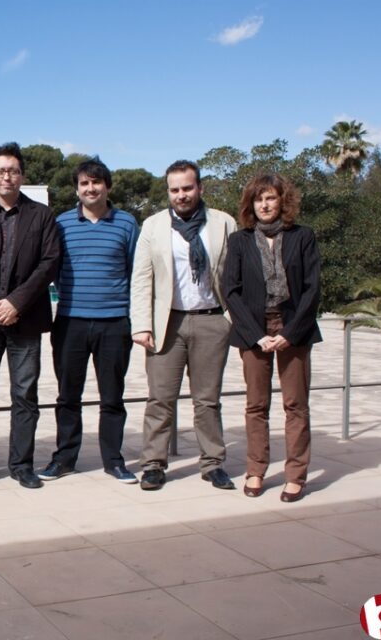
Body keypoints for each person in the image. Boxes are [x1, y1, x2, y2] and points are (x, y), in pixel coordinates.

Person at [130, 160, 237, 491]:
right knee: (160, 399)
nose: (181, 195)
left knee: (207, 400)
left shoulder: (223, 223)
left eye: (187, 188)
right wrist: (141, 324)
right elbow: (142, 278)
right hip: (168, 324)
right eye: (175, 190)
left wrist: (233, 320)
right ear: (168, 192)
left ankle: (212, 463)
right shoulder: (153, 225)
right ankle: (153, 464)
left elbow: (236, 275)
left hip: (211, 321)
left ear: (200, 188)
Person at [0, 142, 61, 489]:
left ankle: (21, 465)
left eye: (13, 170)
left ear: (22, 176)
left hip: (26, 319)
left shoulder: (41, 216)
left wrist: (16, 303)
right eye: (0, 171)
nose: (7, 176)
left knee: (25, 395)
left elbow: (49, 263)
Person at [40, 158, 140, 484]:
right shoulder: (62, 224)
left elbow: (136, 273)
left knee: (112, 397)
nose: (90, 188)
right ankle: (65, 458)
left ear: (107, 186)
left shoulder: (126, 224)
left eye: (96, 182)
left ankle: (113, 460)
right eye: (84, 183)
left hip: (114, 324)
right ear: (77, 188)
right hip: (70, 322)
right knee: (68, 397)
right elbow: (51, 270)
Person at [224, 173, 321, 502]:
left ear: (283, 201)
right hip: (254, 329)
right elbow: (231, 291)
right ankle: (256, 469)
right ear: (250, 205)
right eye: (258, 199)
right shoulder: (239, 241)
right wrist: (256, 336)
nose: (264, 204)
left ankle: (296, 474)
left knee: (295, 405)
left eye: (270, 198)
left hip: (293, 328)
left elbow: (312, 289)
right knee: (256, 405)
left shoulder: (303, 237)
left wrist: (290, 334)